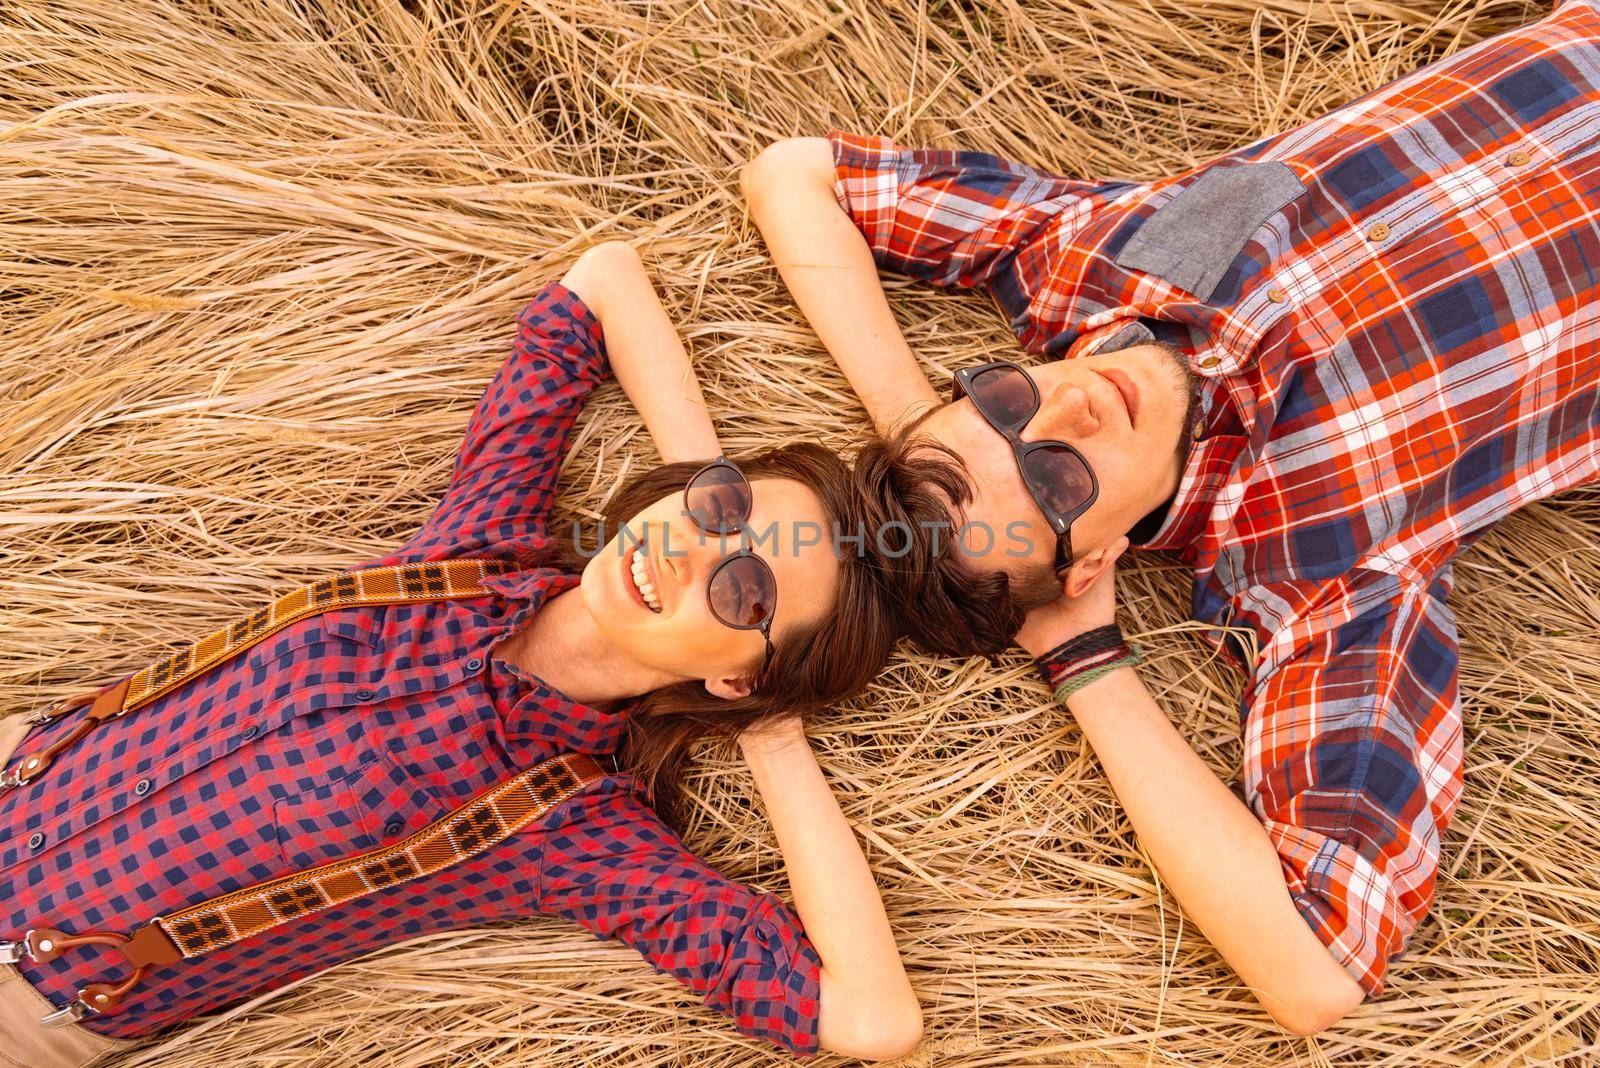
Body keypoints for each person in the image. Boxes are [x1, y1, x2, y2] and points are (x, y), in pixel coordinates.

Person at [743, 0, 1600, 1038]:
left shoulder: (1091, 262)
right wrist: (1084, 651)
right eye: (1058, 481)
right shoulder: (1312, 561)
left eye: (1004, 406)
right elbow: (1313, 967)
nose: (1072, 406)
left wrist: (913, 427)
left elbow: (796, 175)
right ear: (1090, 559)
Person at [0, 241, 928, 1066]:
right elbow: (603, 281)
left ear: (737, 674)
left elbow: (870, 1018)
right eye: (716, 512)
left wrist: (765, 724)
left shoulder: (574, 837)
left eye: (745, 591)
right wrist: (712, 483)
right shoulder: (476, 551)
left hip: (27, 997)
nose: (684, 552)